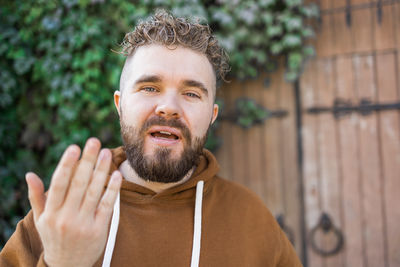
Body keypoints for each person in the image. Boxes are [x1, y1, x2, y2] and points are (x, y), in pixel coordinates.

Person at [0, 10, 303, 267]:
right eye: (149, 87)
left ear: (211, 116)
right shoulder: (60, 217)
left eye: (191, 93)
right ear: (120, 105)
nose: (169, 107)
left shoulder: (251, 219)